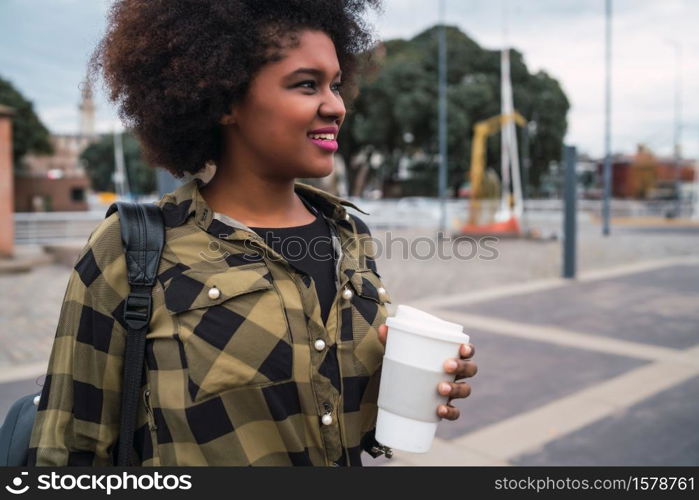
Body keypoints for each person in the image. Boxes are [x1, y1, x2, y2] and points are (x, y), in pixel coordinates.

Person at [28, 0, 477, 466]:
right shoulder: (131, 249)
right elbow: (68, 453)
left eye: (337, 85)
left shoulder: (349, 234)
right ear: (225, 101)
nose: (336, 106)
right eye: (307, 85)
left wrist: (407, 386)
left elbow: (335, 417)